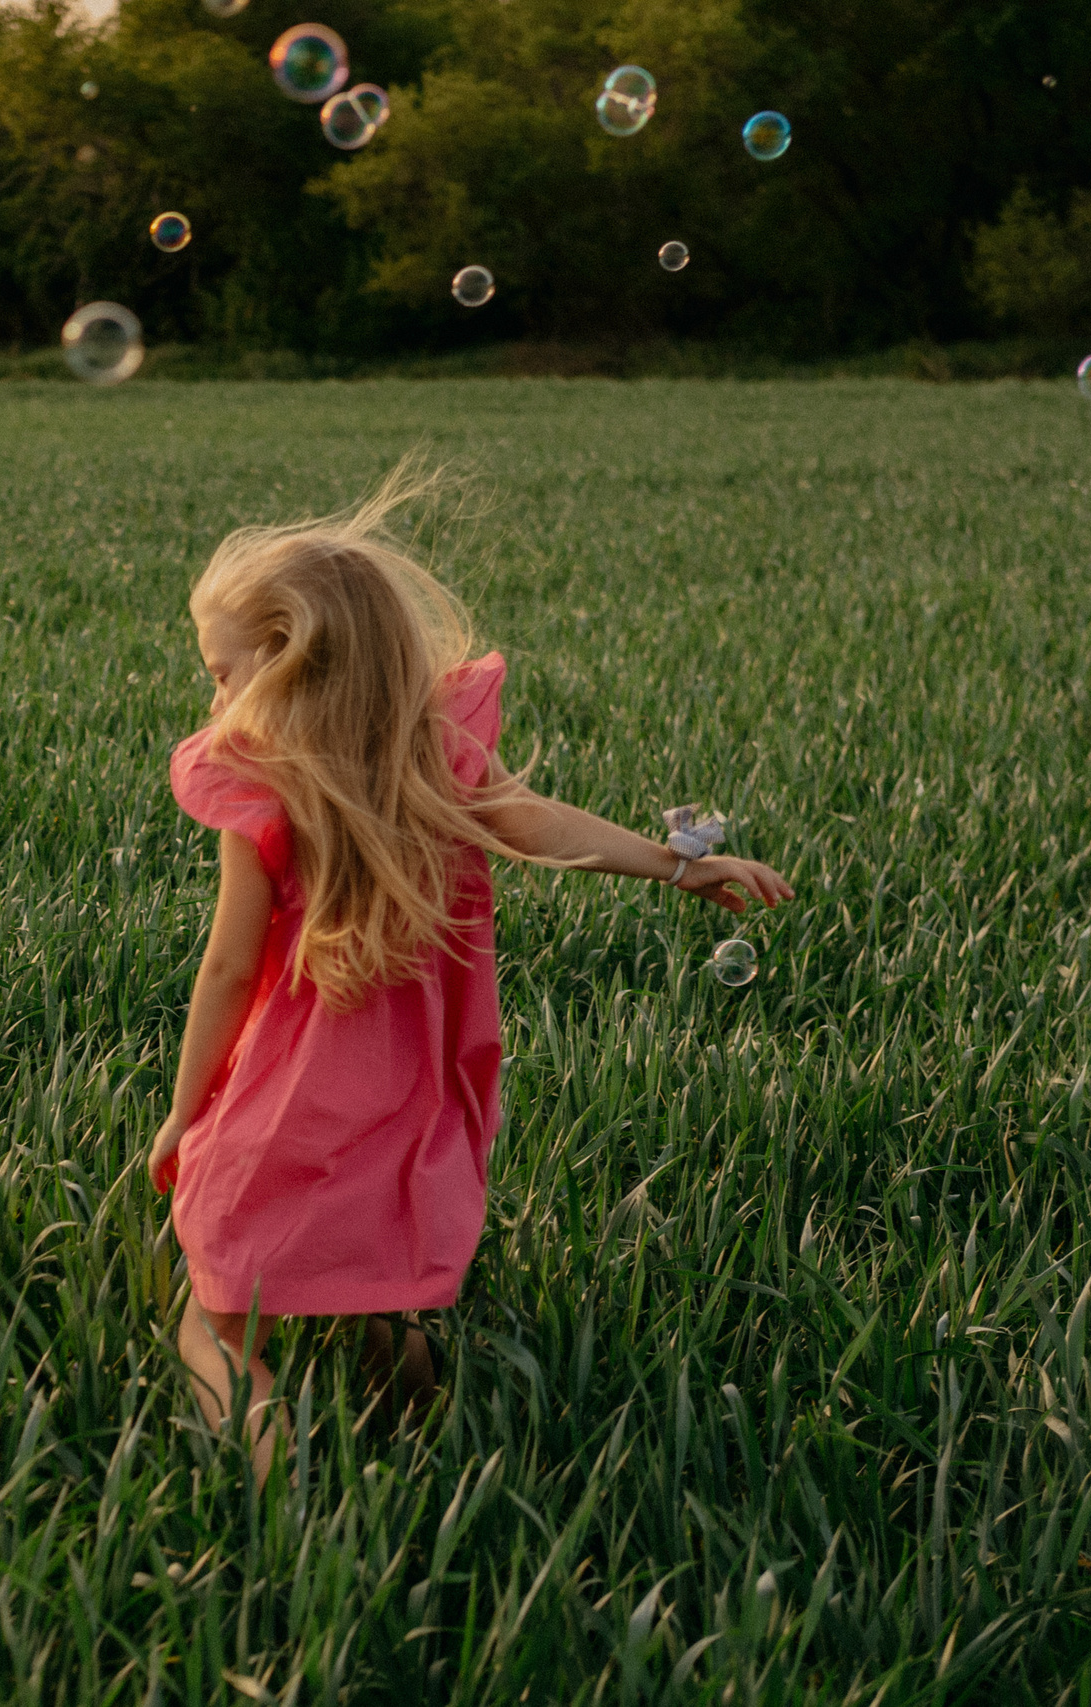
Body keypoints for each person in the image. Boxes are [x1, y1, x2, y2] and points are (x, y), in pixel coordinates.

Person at [146, 464, 793, 1483]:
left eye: (224, 672)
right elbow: (541, 823)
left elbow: (228, 968)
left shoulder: (259, 787)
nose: (216, 697)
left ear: (286, 667)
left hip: (283, 1091)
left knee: (216, 1333)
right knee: (363, 1289)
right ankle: (428, 1441)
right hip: (405, 1089)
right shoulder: (438, 754)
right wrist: (678, 862)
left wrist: (188, 1112)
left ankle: (284, 1501)